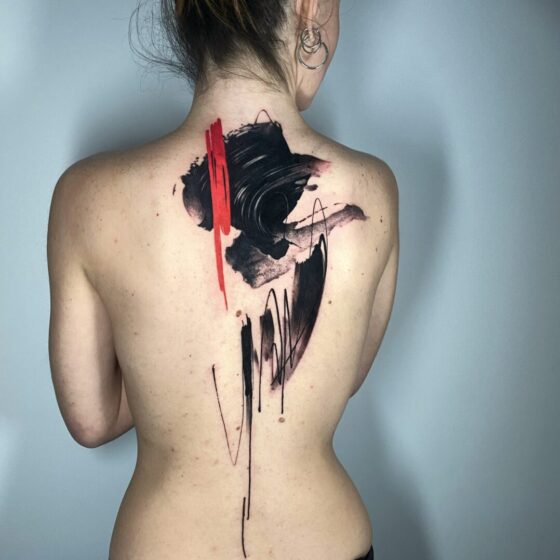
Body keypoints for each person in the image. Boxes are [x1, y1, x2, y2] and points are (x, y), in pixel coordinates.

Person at [46, 0, 399, 558]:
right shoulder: (373, 190)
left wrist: (166, 358)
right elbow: (340, 373)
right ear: (311, 5)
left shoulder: (86, 198)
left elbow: (92, 420)